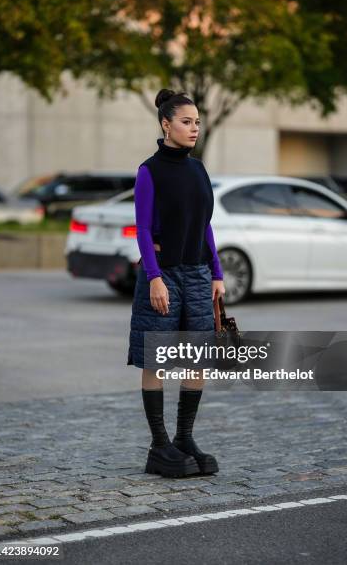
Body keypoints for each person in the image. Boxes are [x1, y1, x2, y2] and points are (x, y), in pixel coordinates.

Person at [127, 88, 226, 478]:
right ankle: (159, 446)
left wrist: (216, 272)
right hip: (164, 275)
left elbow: (205, 226)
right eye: (187, 122)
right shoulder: (149, 171)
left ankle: (184, 439)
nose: (194, 128)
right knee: (158, 359)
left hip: (198, 275)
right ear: (166, 125)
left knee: (196, 358)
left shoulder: (199, 169)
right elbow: (143, 229)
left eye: (197, 123)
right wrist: (154, 277)